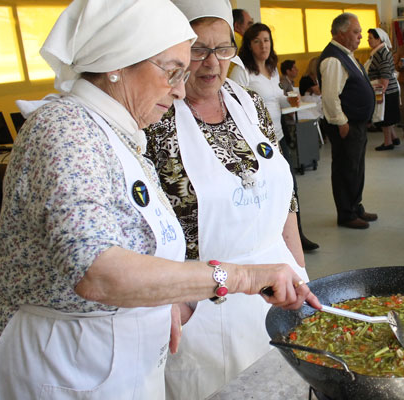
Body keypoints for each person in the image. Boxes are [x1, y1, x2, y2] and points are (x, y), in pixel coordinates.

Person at [0, 1, 319, 399]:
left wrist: (168, 303)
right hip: (65, 362)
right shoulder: (65, 130)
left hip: (119, 355)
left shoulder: (120, 133)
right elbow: (98, 271)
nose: (180, 88)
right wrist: (240, 276)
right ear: (117, 63)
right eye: (173, 70)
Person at [143, 2, 315, 398]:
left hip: (279, 284)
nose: (211, 64)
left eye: (223, 50)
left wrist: (299, 268)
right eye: (198, 50)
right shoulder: (154, 116)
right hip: (202, 303)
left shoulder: (249, 102)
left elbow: (284, 194)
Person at [230, 22, 319, 251]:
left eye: (267, 40)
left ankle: (296, 236)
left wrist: (289, 100)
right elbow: (234, 104)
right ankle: (271, 241)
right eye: (257, 41)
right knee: (264, 192)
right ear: (249, 45)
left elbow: (276, 98)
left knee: (289, 188)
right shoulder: (242, 71)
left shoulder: (272, 69)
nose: (263, 45)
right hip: (255, 144)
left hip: (277, 138)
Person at [318, 13, 377, 229]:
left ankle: (355, 206)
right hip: (346, 125)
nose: (360, 36)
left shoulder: (346, 54)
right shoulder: (334, 59)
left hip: (356, 124)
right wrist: (341, 122)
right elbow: (331, 96)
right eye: (356, 31)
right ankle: (346, 214)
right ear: (341, 33)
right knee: (346, 169)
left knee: (356, 167)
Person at [366, 27, 401, 151]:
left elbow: (385, 74)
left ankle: (388, 142)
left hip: (385, 90)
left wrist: (382, 90)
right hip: (387, 89)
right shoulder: (380, 52)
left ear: (379, 39)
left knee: (384, 117)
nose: (368, 40)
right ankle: (394, 137)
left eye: (370, 38)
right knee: (388, 116)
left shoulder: (381, 53)